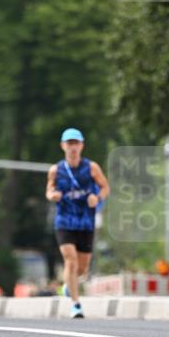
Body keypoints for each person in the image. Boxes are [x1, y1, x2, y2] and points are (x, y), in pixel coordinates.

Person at [46, 127, 109, 318]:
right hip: (65, 221)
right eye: (69, 143)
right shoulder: (56, 170)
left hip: (85, 222)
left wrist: (97, 198)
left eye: (76, 143)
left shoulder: (91, 168)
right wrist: (53, 195)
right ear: (63, 146)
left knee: (82, 268)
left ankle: (68, 285)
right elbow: (48, 191)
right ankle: (76, 304)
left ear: (81, 146)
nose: (73, 147)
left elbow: (105, 187)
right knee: (70, 261)